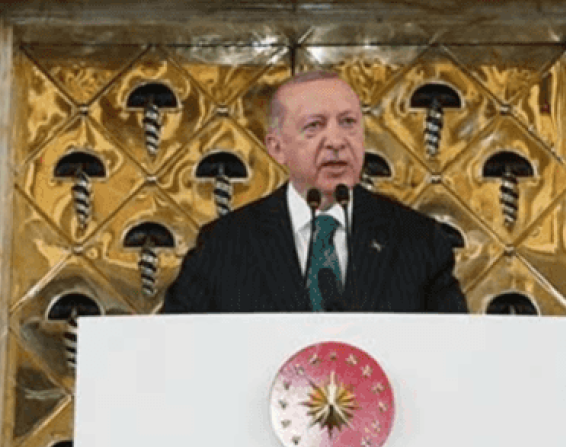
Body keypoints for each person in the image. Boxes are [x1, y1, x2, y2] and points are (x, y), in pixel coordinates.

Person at [161, 71, 467, 314]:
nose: (336, 140)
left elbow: (452, 350)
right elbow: (177, 347)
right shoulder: (224, 245)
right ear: (277, 147)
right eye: (314, 126)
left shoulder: (420, 241)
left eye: (348, 123)